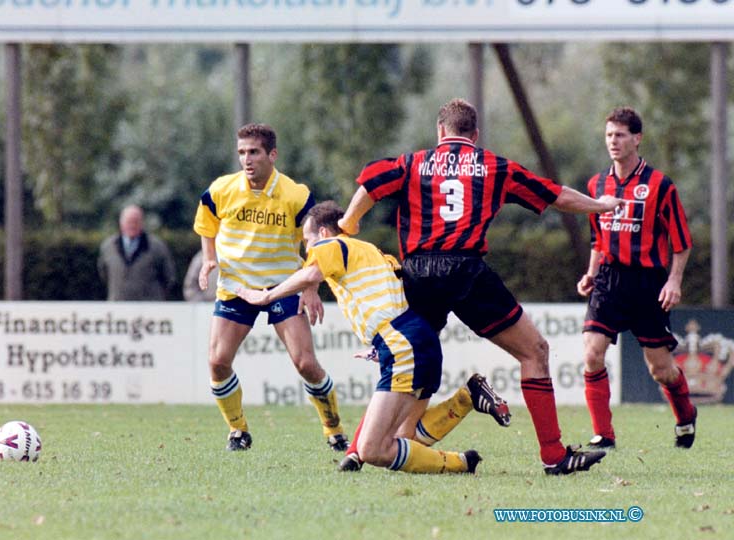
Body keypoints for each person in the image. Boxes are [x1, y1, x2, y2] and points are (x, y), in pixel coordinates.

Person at [338, 98, 623, 475]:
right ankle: (554, 455)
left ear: (441, 131)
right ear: (475, 133)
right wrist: (601, 205)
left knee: (408, 360)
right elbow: (557, 196)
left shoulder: (412, 162)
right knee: (534, 352)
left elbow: (371, 182)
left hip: (417, 273)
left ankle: (358, 449)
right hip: (464, 271)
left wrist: (350, 221)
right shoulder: (493, 166)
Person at [238, 201, 511, 474]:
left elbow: (312, 271)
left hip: (402, 345)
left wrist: (266, 296)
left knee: (374, 449)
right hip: (416, 340)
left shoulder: (331, 245)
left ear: (323, 233)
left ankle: (458, 463)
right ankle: (467, 404)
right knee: (405, 440)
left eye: (307, 241)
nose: (307, 249)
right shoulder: (372, 252)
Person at [193, 123, 348, 452]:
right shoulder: (221, 189)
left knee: (305, 363)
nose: (246, 160)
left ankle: (333, 429)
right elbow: (206, 220)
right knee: (218, 362)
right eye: (241, 153)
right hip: (237, 285)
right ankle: (238, 431)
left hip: (283, 285)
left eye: (254, 152)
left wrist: (309, 286)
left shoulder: (296, 194)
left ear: (272, 155)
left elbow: (316, 243)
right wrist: (209, 258)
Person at [577, 107, 695, 450]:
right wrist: (591, 273)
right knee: (592, 353)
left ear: (637, 139)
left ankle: (686, 416)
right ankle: (604, 435)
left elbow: (682, 242)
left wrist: (673, 281)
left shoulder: (660, 185)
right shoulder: (596, 185)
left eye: (621, 135)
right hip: (609, 281)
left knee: (661, 369)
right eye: (609, 135)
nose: (613, 141)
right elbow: (598, 238)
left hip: (647, 284)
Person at [97, 205, 176, 301]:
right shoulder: (108, 246)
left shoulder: (157, 247)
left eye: (136, 222)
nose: (132, 225)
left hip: (149, 309)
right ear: (121, 223)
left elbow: (168, 276)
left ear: (142, 223)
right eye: (129, 222)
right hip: (118, 306)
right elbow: (104, 273)